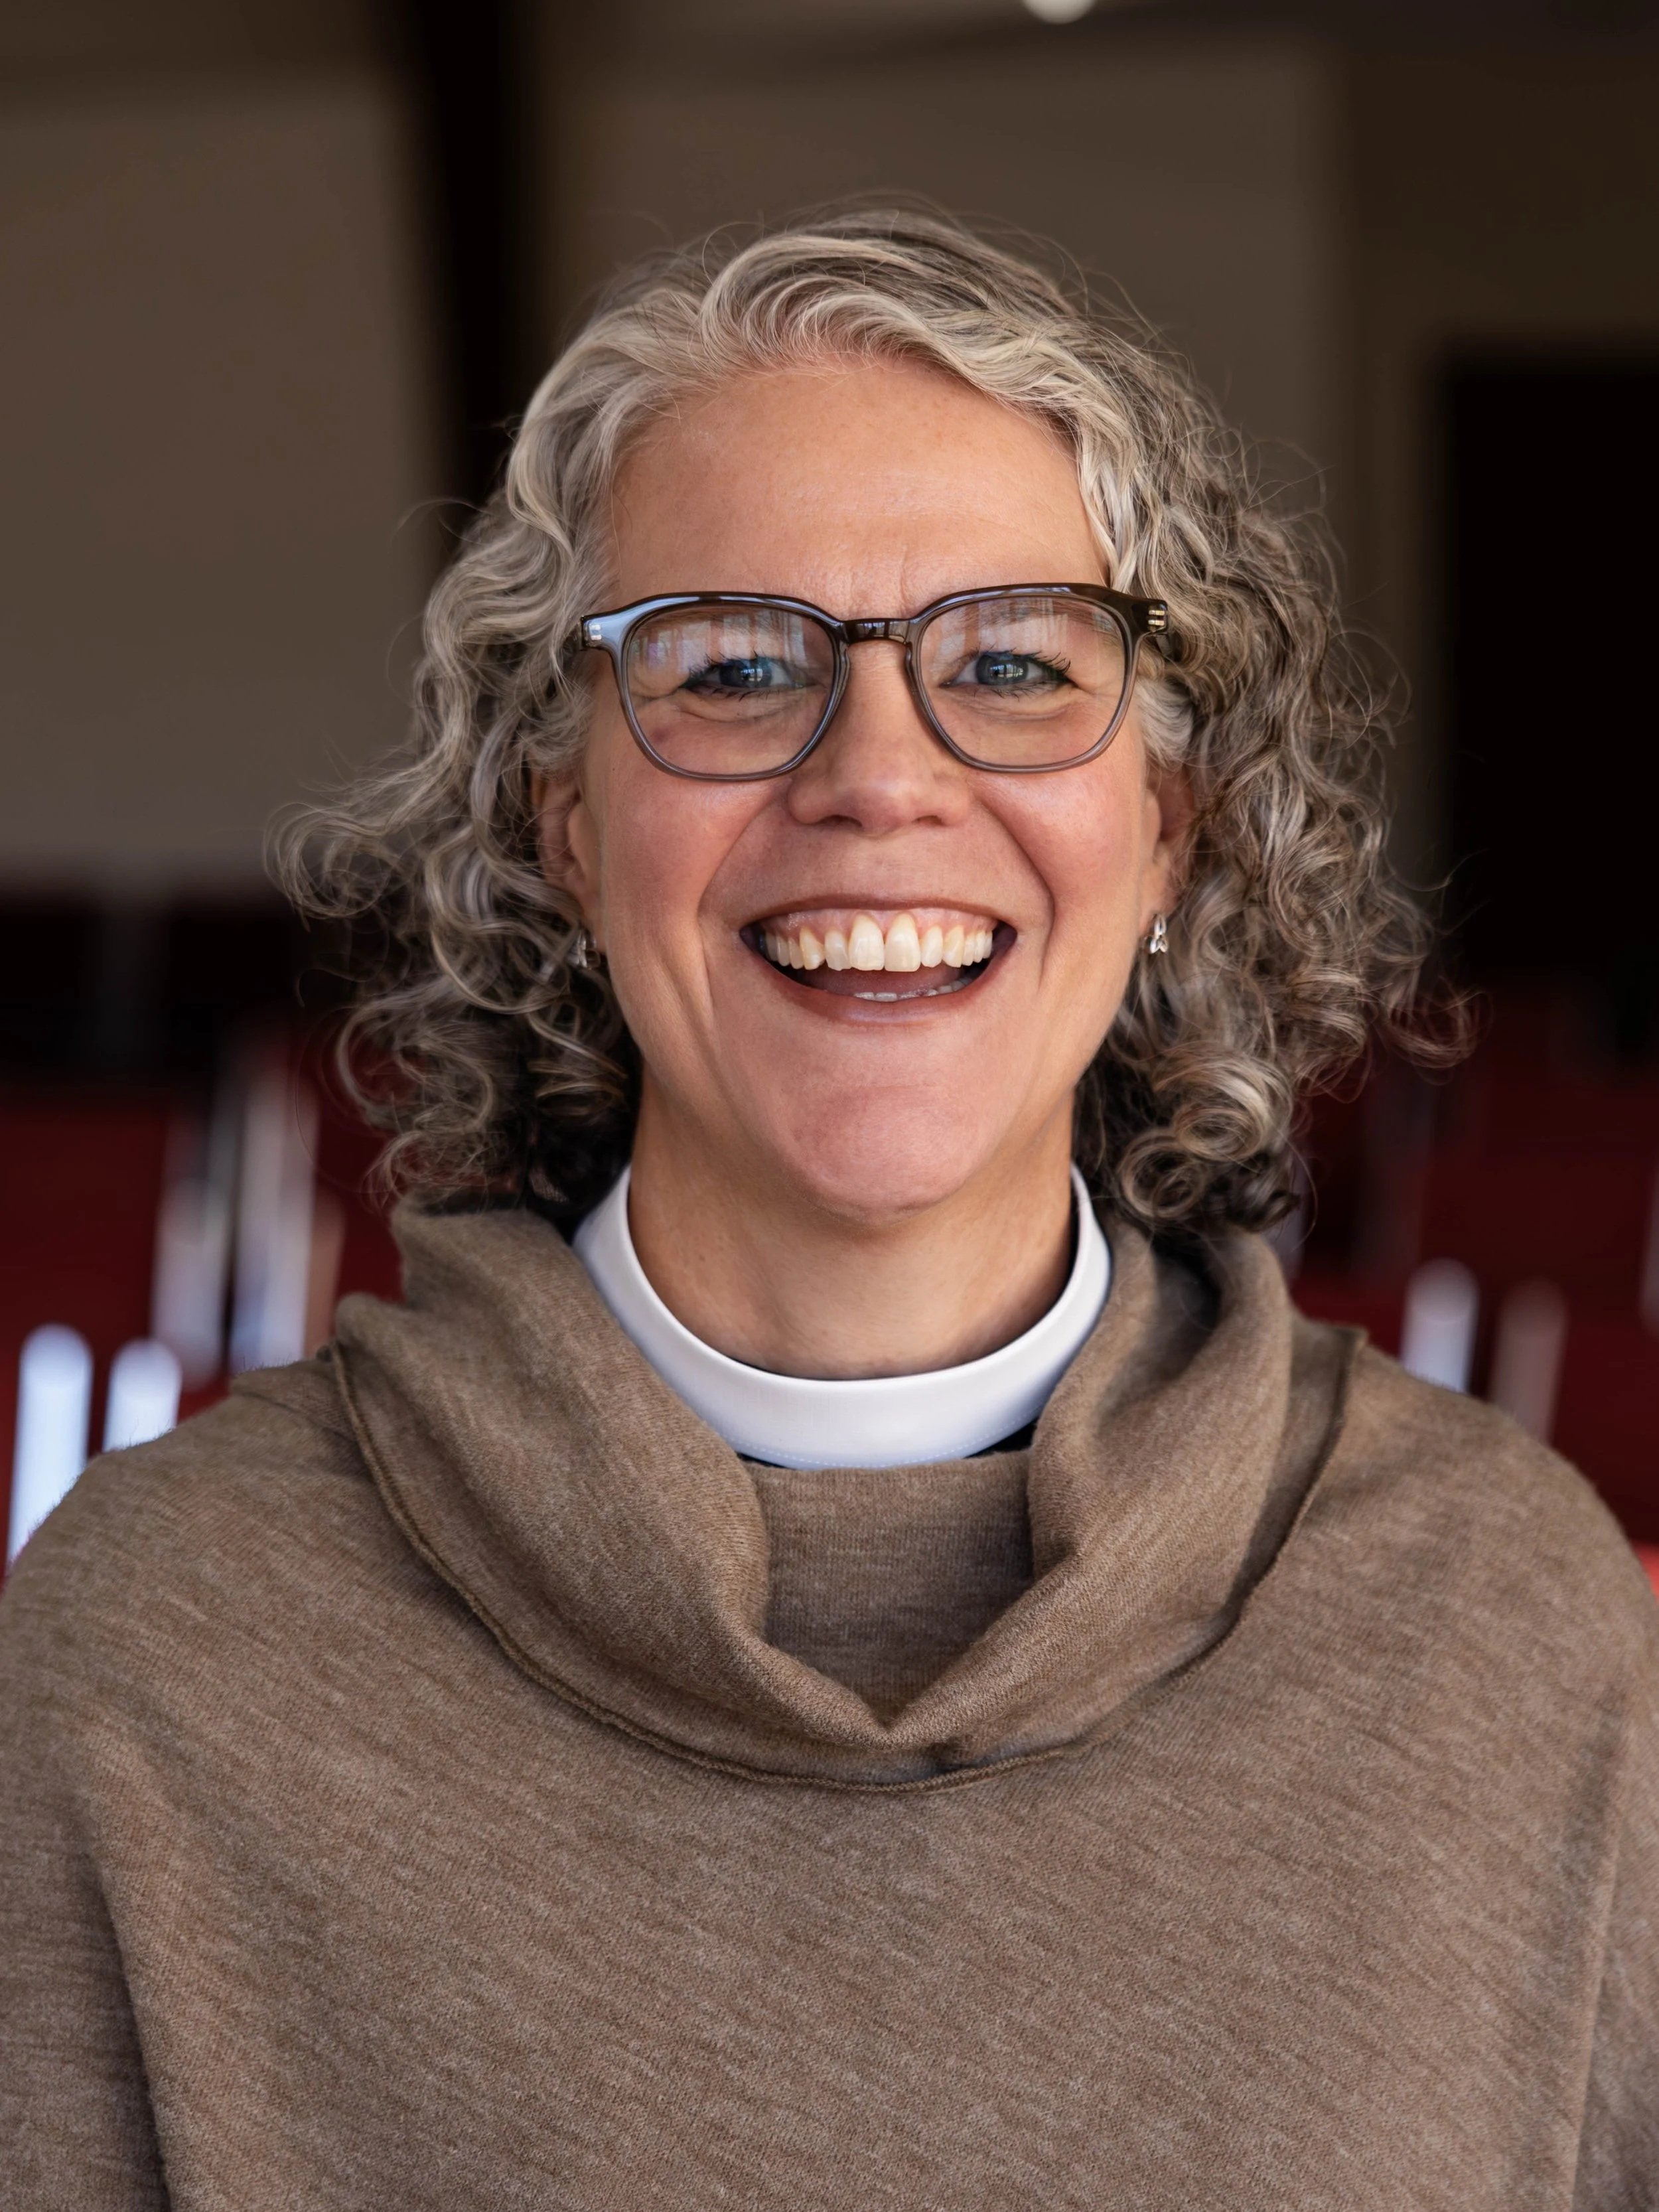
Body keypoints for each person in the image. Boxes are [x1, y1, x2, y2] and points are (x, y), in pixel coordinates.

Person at [3, 210, 1654, 2209]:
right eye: (730, 666)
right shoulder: (151, 1655)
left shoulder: (1510, 1635)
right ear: (563, 824)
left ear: (1167, 828)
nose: (879, 775)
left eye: (1017, 665)